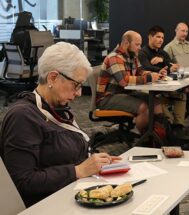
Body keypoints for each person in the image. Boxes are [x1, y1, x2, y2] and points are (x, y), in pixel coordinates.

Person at [0, 42, 121, 207]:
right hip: (50, 204)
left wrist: (97, 162)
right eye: (76, 85)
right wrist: (78, 171)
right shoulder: (22, 117)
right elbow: (24, 181)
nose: (79, 93)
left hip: (73, 192)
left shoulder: (57, 108)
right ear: (53, 77)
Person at [97, 30, 164, 133]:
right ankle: (145, 138)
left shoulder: (133, 56)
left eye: (140, 44)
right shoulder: (114, 58)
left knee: (155, 102)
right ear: (126, 43)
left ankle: (158, 135)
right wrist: (149, 78)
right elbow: (124, 81)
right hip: (107, 97)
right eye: (137, 44)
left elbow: (139, 72)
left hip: (125, 93)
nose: (140, 47)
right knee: (144, 108)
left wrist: (154, 75)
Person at [138, 25, 189, 142]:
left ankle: (178, 127)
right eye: (158, 37)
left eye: (162, 37)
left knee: (181, 94)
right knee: (158, 98)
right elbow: (146, 67)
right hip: (149, 88)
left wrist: (164, 62)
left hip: (164, 86)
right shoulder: (142, 52)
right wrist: (164, 69)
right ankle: (170, 127)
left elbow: (173, 65)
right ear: (150, 37)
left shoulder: (162, 53)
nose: (161, 40)